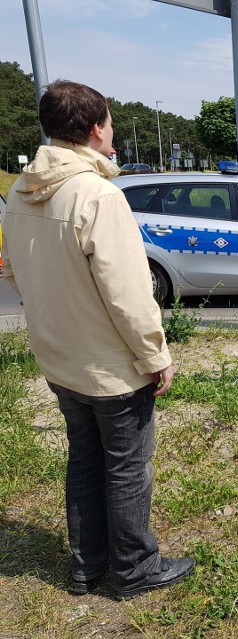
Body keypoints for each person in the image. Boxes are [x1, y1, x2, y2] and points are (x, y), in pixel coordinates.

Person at [0, 80, 195, 600]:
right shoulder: (99, 195)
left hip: (59, 360)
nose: (112, 133)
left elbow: (12, 270)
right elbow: (129, 294)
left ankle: (87, 566)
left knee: (85, 459)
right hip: (111, 367)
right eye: (109, 123)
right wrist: (156, 353)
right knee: (128, 466)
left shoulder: (20, 191)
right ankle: (134, 569)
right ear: (94, 129)